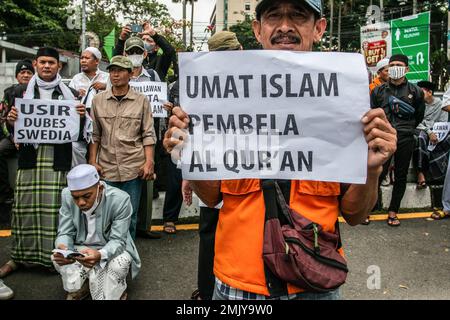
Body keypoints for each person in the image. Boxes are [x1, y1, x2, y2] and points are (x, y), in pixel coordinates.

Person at [164, 0, 397, 300]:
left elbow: (354, 214)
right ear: (258, 29)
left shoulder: (346, 101)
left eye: (298, 16)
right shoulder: (222, 98)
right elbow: (210, 197)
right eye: (274, 16)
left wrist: (372, 168)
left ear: (319, 28)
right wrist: (189, 157)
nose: (285, 26)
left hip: (314, 281)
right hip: (238, 285)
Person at [0, 47, 87, 277]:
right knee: (24, 208)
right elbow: (10, 128)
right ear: (36, 64)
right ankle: (19, 257)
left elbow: (78, 134)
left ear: (59, 66)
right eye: (42, 62)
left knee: (55, 210)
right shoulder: (18, 92)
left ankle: (55, 258)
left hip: (57, 160)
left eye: (51, 62)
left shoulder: (70, 94)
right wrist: (11, 121)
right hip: (30, 158)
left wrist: (81, 117)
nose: (47, 66)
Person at [89, 55, 156, 240]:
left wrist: (149, 162)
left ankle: (126, 258)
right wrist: (92, 162)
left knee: (130, 217)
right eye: (111, 70)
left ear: (130, 74)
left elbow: (148, 134)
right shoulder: (98, 101)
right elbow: (94, 135)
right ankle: (107, 256)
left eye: (119, 70)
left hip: (133, 168)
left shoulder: (141, 100)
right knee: (105, 216)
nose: (115, 74)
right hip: (106, 168)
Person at [52, 164, 141, 300]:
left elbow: (118, 241)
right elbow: (65, 232)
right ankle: (82, 286)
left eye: (87, 196)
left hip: (109, 247)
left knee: (119, 265)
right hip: (82, 247)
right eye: (75, 197)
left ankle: (117, 290)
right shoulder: (66, 196)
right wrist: (63, 248)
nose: (81, 202)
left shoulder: (120, 199)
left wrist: (100, 254)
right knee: (56, 257)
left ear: (99, 188)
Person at [371, 54, 425, 227]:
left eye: (399, 65)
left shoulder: (415, 91)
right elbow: (372, 111)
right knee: (378, 173)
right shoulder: (378, 91)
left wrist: (406, 128)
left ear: (407, 69)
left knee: (401, 175)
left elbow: (419, 115)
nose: (395, 67)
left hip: (405, 137)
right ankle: (369, 209)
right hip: (382, 138)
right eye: (392, 64)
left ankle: (393, 211)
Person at [123, 36, 162, 239]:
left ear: (145, 54)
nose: (134, 56)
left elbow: (160, 101)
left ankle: (142, 227)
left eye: (138, 52)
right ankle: (124, 226)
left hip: (147, 132)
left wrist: (164, 107)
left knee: (147, 177)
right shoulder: (121, 76)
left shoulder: (153, 76)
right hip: (126, 133)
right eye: (131, 52)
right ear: (125, 54)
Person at [0, 60, 34, 205]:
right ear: (16, 76)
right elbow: (2, 119)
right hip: (13, 137)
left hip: (35, 138)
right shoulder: (9, 93)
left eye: (29, 73)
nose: (26, 75)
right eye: (22, 72)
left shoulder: (39, 91)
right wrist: (13, 138)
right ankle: (5, 193)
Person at [69, 47, 109, 167]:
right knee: (76, 148)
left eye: (87, 58)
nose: (83, 61)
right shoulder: (76, 79)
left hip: (103, 119)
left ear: (97, 61)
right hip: (81, 120)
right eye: (82, 58)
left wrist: (105, 87)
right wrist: (76, 93)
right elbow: (69, 101)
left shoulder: (107, 77)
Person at [413, 81, 447, 190]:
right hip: (420, 130)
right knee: (421, 138)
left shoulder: (440, 105)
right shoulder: (417, 104)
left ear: (430, 92)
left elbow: (443, 123)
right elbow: (416, 122)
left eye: (421, 91)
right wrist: (429, 131)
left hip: (436, 131)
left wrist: (435, 132)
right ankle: (420, 173)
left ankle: (438, 174)